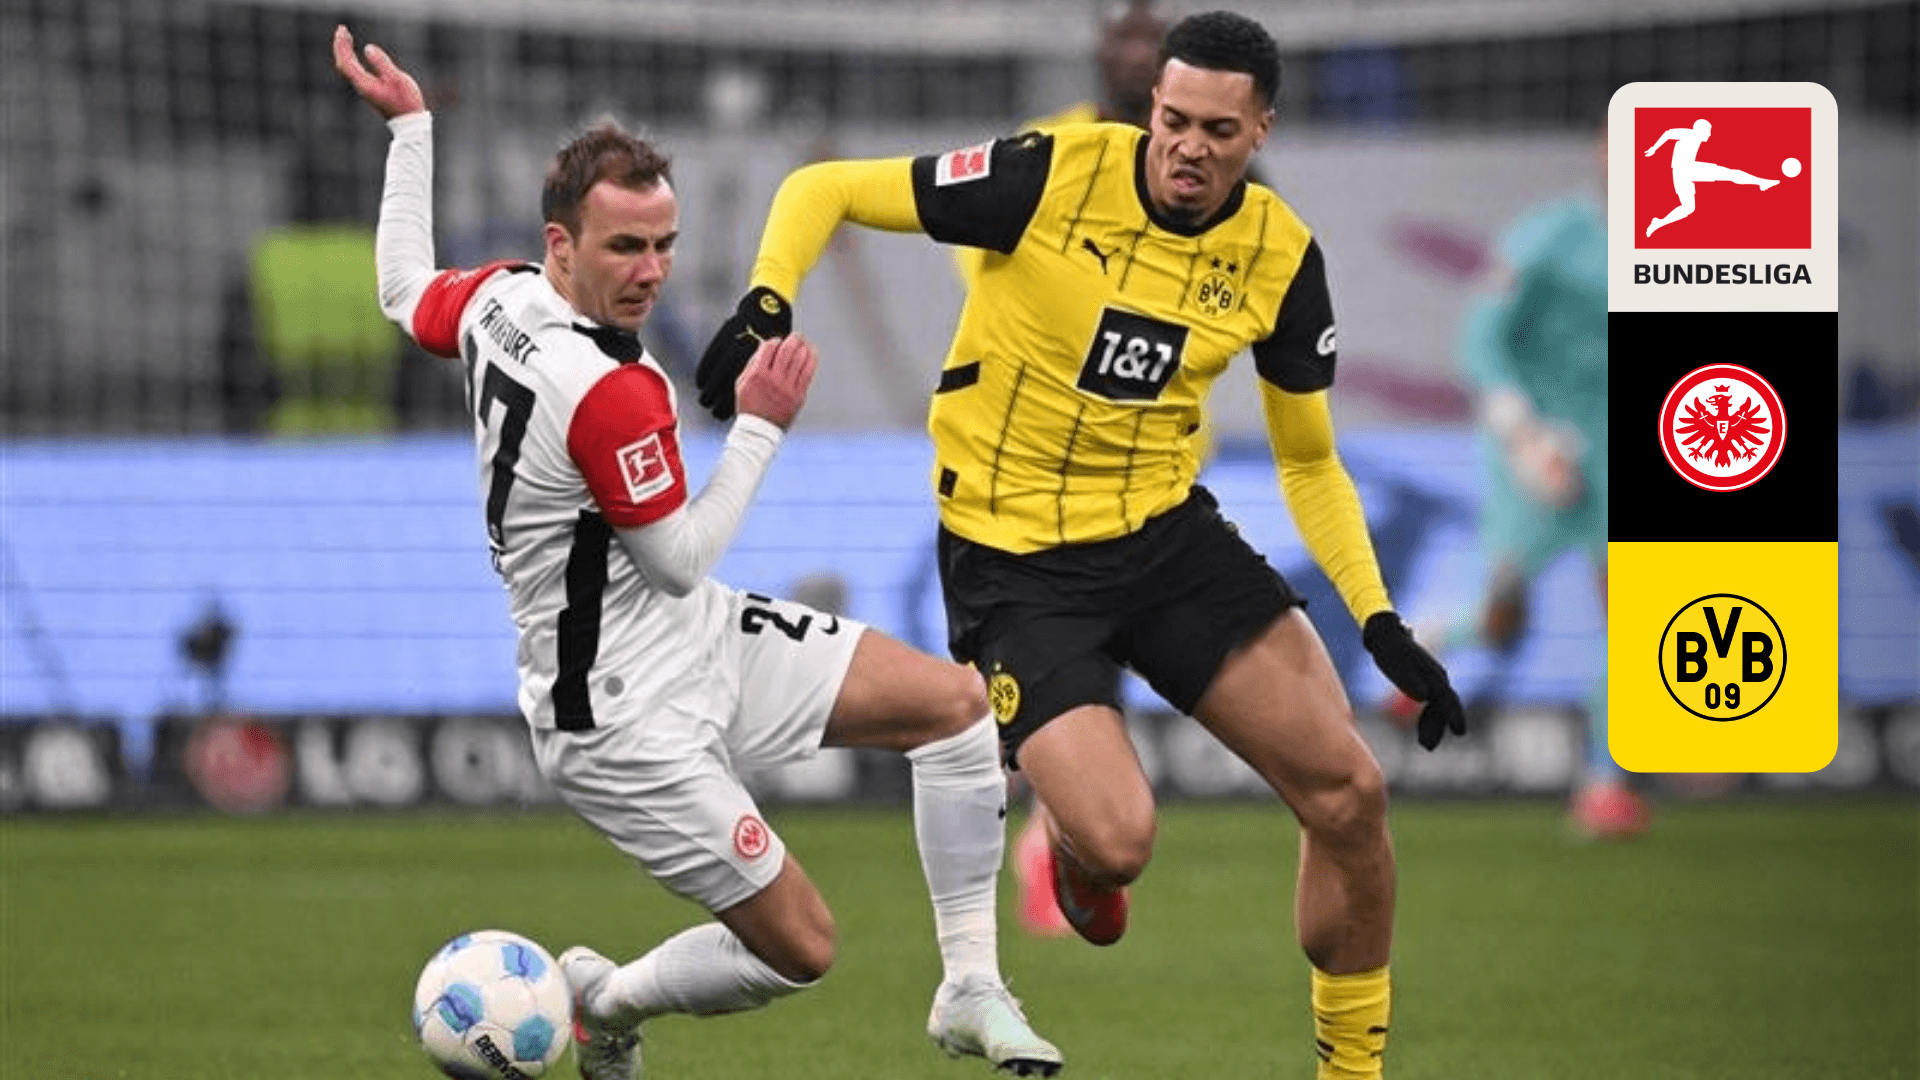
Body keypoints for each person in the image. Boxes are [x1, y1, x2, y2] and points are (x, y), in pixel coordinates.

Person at [695, 12, 1465, 1079]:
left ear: (1261, 131)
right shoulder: (1047, 174)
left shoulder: (1280, 255)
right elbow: (822, 188)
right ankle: (1075, 844)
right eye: (1173, 120)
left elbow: (1309, 459)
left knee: (1349, 793)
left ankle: (1352, 1071)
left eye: (1218, 130)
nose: (1187, 147)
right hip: (1015, 560)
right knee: (1119, 846)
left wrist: (1378, 618)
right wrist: (767, 300)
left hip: (1163, 536)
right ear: (1152, 107)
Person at [330, 27, 1061, 1080]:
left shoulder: (499, 297)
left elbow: (404, 288)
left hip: (692, 632)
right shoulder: (608, 390)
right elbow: (676, 556)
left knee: (954, 708)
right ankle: (606, 1003)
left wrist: (411, 130)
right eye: (625, 247)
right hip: (615, 714)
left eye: (663, 244)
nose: (651, 272)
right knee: (801, 949)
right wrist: (760, 424)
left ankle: (972, 987)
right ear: (560, 243)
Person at [1388, 174, 1643, 838]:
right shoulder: (1551, 237)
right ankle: (1423, 645)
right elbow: (1481, 338)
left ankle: (1604, 784)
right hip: (1536, 452)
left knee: (1632, 621)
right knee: (1501, 619)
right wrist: (1523, 434)